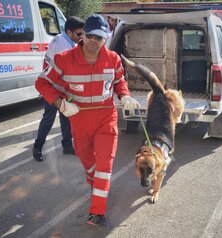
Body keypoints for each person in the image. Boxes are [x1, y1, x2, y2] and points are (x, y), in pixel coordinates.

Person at [35, 14, 140, 226]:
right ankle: (95, 183)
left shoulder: (113, 59)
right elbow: (42, 83)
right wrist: (61, 104)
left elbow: (120, 82)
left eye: (99, 37)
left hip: (106, 118)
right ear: (83, 36)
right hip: (79, 118)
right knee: (88, 163)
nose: (94, 40)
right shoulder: (64, 59)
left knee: (104, 165)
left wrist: (125, 95)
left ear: (105, 38)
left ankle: (97, 212)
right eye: (90, 35)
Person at [33, 16, 84, 161]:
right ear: (69, 32)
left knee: (66, 117)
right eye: (79, 34)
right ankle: (37, 147)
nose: (81, 37)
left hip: (60, 87)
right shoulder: (63, 46)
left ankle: (67, 146)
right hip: (51, 87)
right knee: (49, 118)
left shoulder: (64, 40)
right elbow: (68, 72)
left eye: (83, 34)